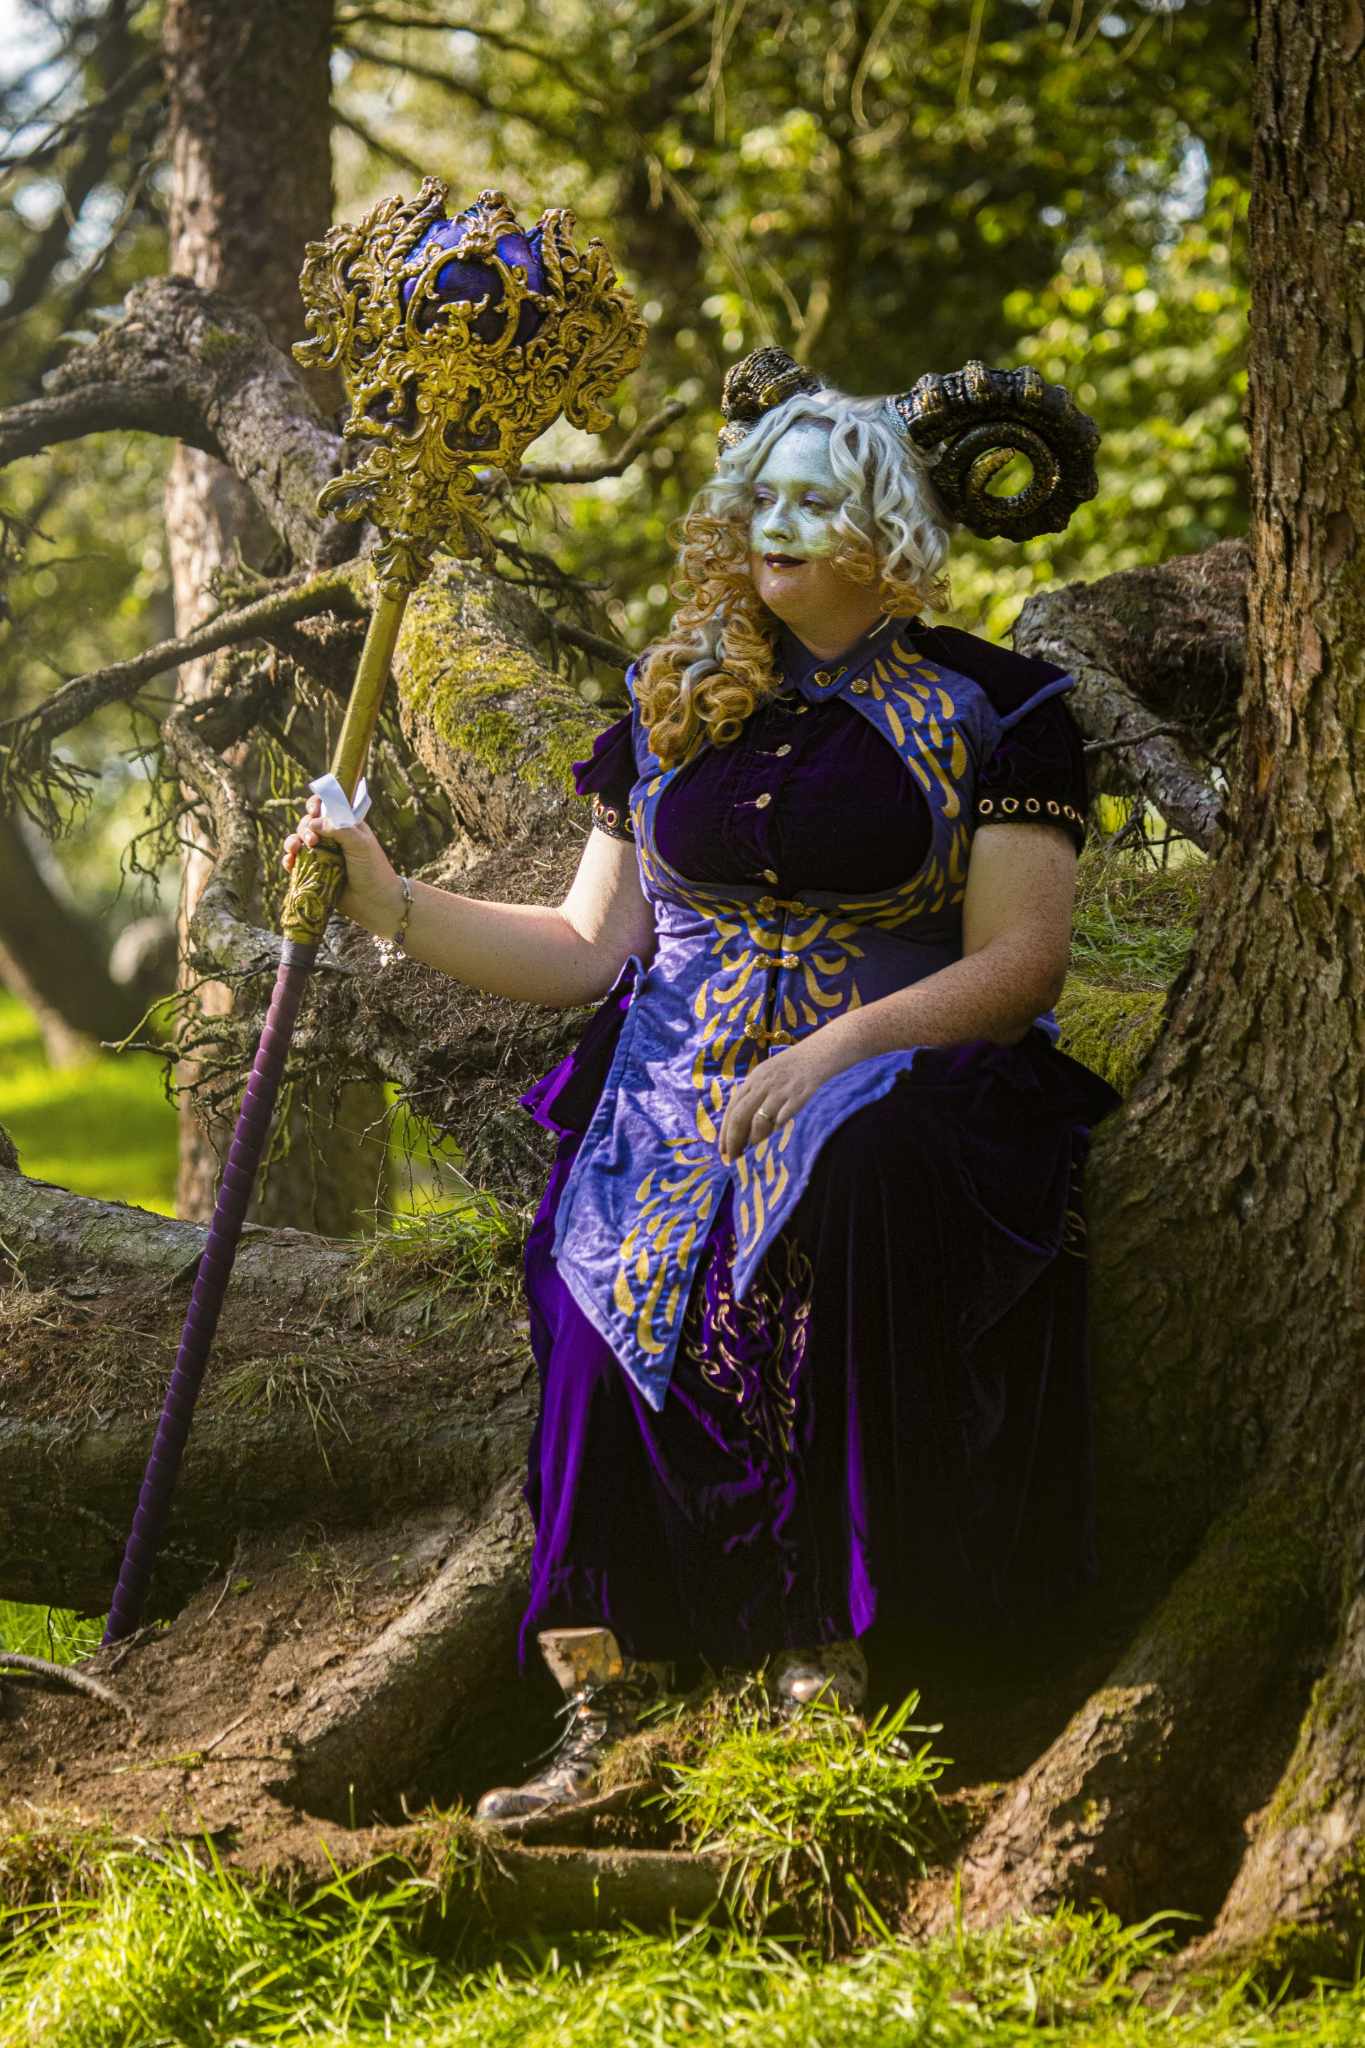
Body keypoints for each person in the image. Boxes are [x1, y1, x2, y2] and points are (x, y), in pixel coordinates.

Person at [283, 375, 1121, 1824]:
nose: (776, 523)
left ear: (889, 527)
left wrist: (835, 1054)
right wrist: (387, 898)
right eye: (762, 497)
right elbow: (584, 946)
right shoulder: (670, 698)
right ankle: (606, 1712)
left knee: (848, 1194)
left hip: (900, 1082)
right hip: (663, 1096)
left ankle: (820, 1672)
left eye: (817, 499)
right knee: (592, 1289)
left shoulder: (1000, 707)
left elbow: (1019, 964)